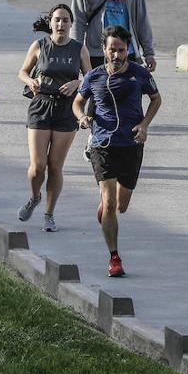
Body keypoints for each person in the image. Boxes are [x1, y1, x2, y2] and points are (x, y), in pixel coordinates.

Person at [72, 26, 163, 277]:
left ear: (127, 50)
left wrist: (144, 125)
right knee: (110, 202)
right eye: (112, 49)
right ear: (104, 50)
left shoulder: (139, 74)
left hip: (131, 144)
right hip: (102, 144)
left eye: (121, 50)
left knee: (121, 205)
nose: (116, 55)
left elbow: (156, 99)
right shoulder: (94, 77)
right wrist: (82, 118)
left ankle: (106, 208)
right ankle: (114, 257)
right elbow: (78, 102)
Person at [16, 4, 91, 232]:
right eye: (57, 20)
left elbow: (91, 77)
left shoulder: (79, 49)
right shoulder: (40, 46)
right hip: (41, 106)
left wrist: (78, 83)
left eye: (65, 20)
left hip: (66, 110)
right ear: (50, 22)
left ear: (71, 24)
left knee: (55, 166)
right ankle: (34, 197)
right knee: (37, 166)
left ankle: (49, 214)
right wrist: (30, 81)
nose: (61, 24)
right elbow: (22, 72)